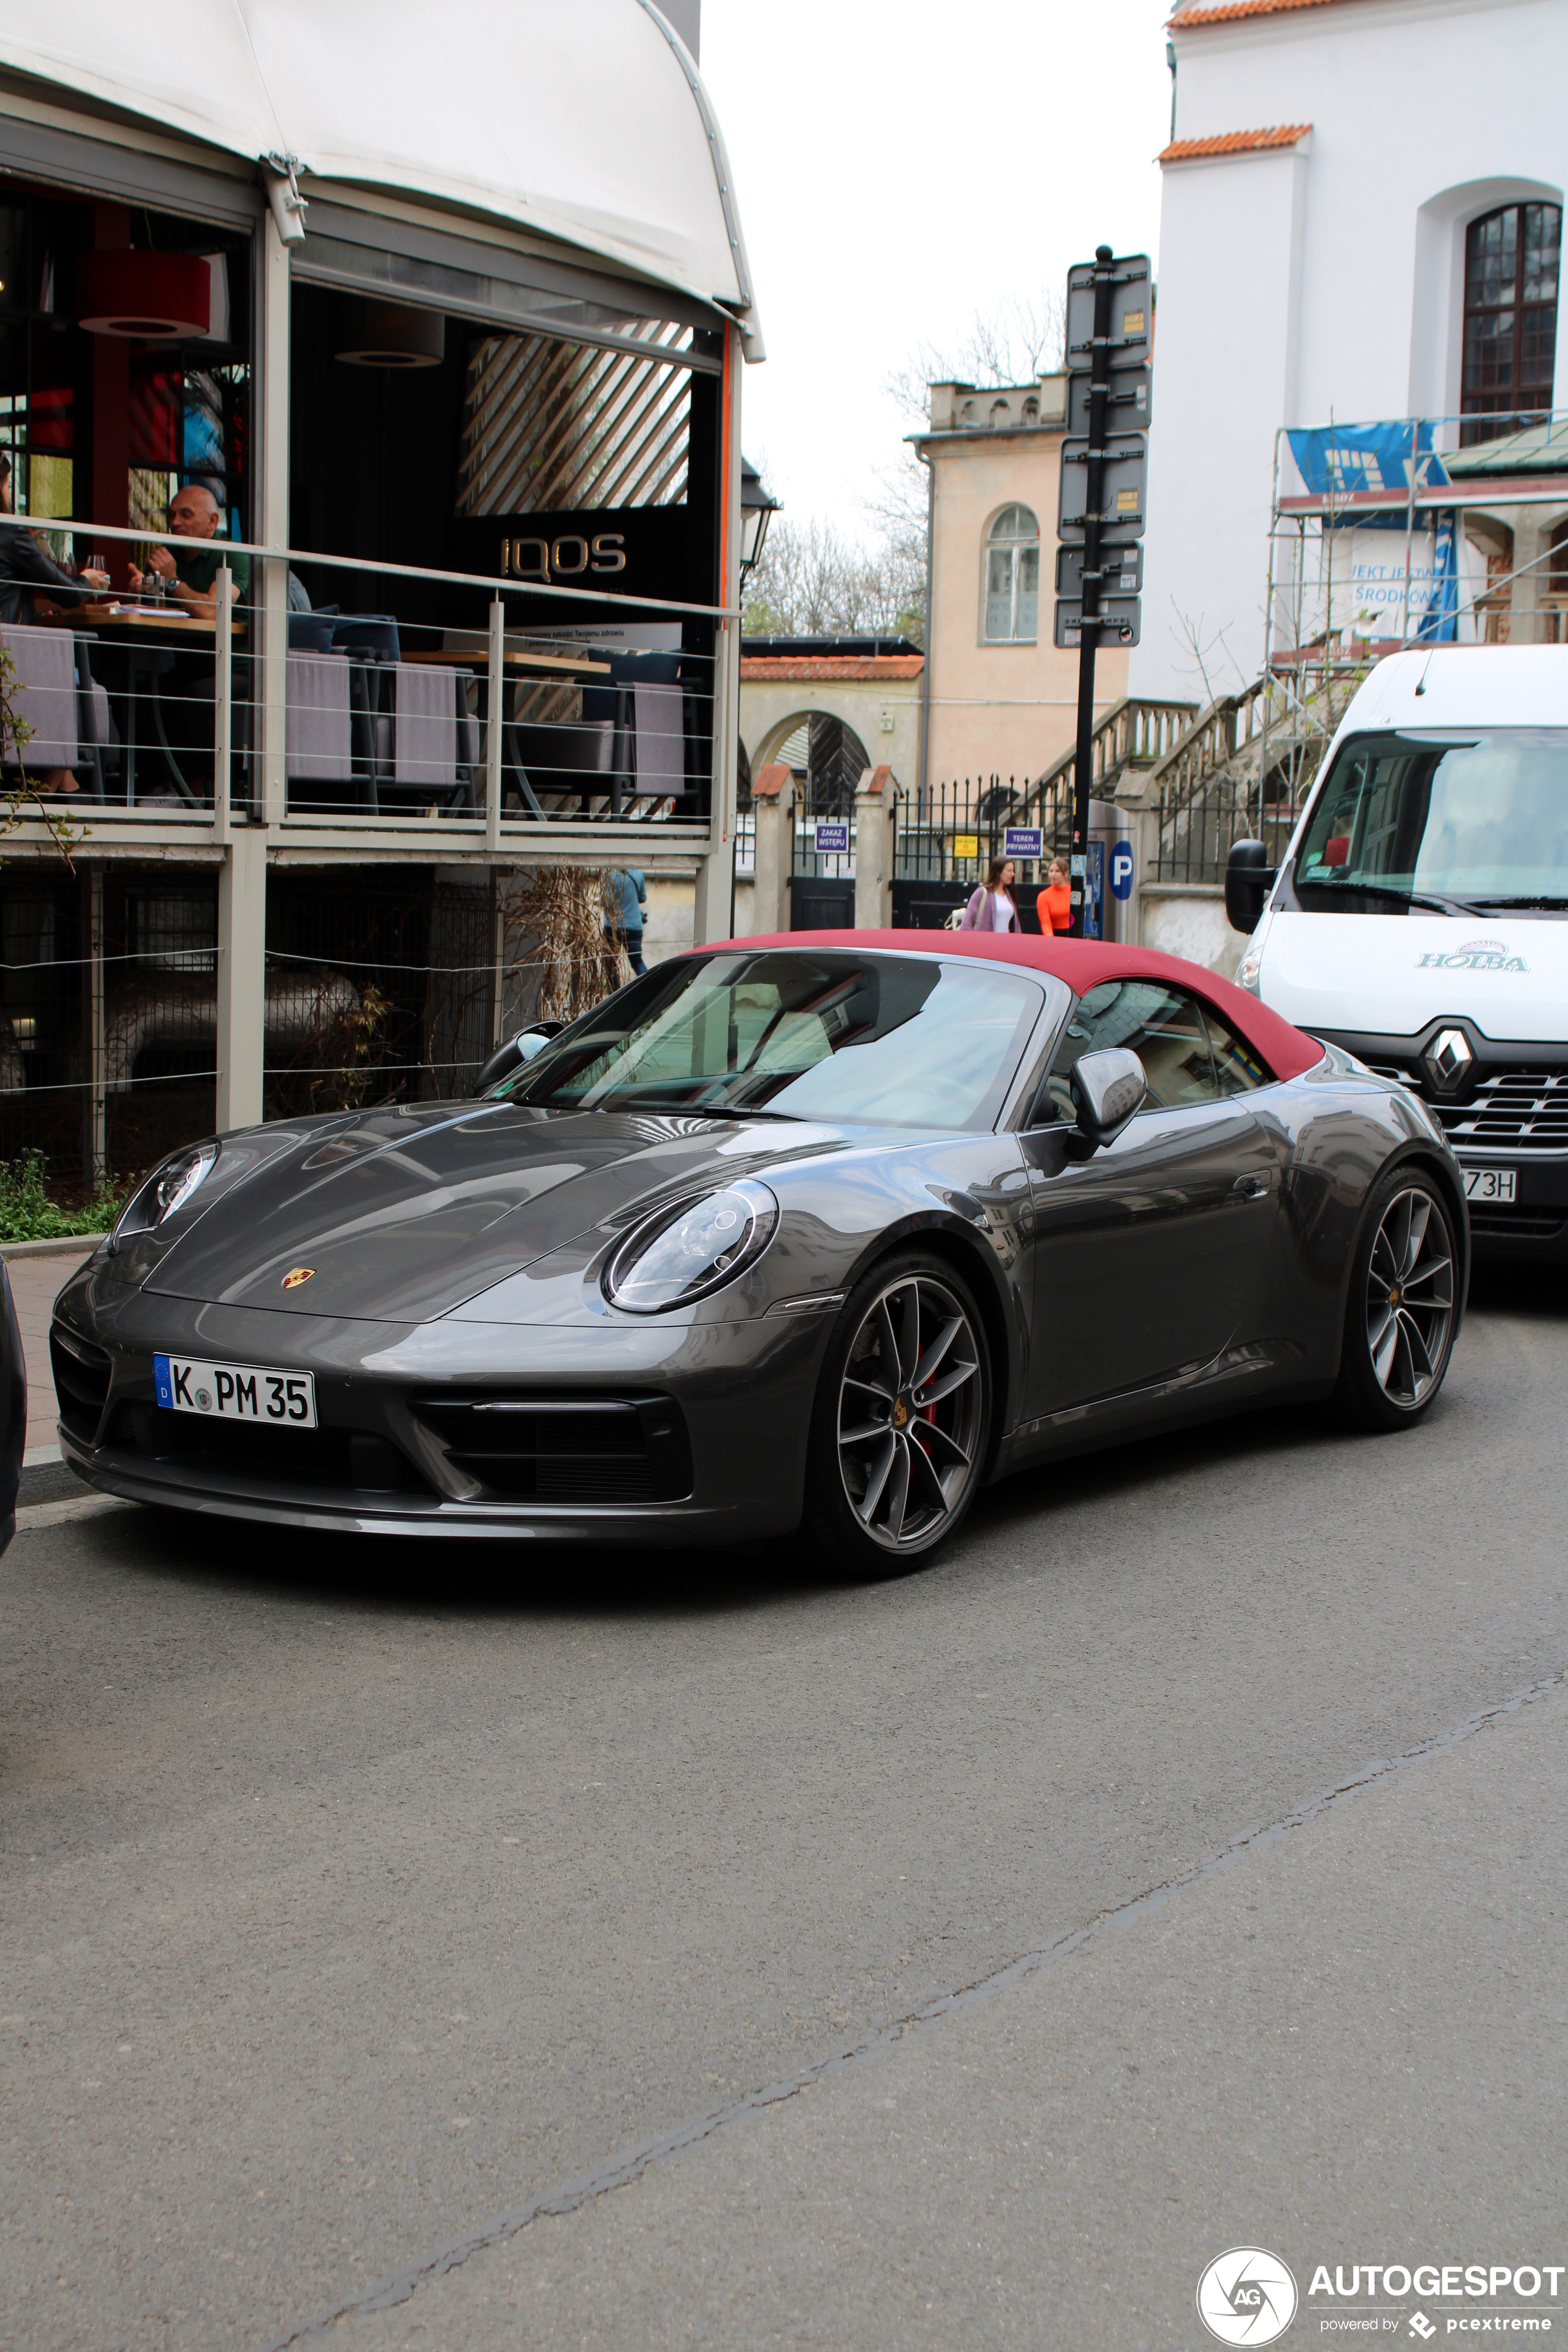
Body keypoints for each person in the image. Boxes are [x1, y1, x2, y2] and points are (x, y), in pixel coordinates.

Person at [0, 454, 110, 793]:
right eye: (7, 484)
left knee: (74, 677)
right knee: (81, 681)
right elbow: (66, 594)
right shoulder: (11, 532)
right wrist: (88, 581)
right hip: (12, 659)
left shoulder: (16, 535)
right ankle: (47, 793)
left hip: (11, 654)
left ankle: (61, 790)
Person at [127, 482, 249, 618]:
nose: (175, 522)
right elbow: (152, 612)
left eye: (186, 515)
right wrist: (143, 589)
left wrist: (171, 581)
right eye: (171, 515)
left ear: (212, 521)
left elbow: (212, 612)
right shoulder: (166, 553)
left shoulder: (232, 554)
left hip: (222, 639)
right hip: (174, 636)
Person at [961, 855, 1019, 933]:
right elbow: (966, 924)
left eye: (1013, 870)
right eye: (1009, 871)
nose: (1013, 874)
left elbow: (1016, 926)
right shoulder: (982, 892)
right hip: (986, 943)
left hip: (1006, 943)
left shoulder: (1010, 894)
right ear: (998, 872)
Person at [606, 867, 648, 973]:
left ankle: (615, 990)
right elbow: (643, 898)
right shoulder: (638, 872)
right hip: (635, 926)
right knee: (637, 961)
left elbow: (606, 901)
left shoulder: (609, 873)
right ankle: (650, 988)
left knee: (611, 964)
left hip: (614, 926)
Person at [1040, 854, 1072, 936]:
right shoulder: (1044, 896)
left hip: (1073, 935)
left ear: (1066, 873)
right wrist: (1051, 939)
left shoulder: (1073, 893)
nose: (1053, 874)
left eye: (1057, 871)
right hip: (1054, 936)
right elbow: (1045, 922)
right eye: (1051, 871)